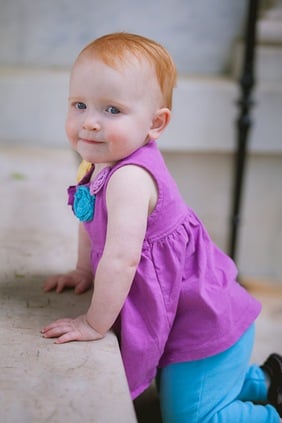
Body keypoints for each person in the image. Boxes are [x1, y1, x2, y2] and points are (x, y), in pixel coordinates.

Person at [41, 32, 282, 422]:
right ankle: (264, 382)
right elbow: (88, 218)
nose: (90, 123)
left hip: (204, 323)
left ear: (155, 123)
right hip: (182, 315)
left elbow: (121, 260)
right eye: (79, 105)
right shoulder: (97, 162)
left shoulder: (130, 179)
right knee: (182, 387)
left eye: (112, 110)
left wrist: (93, 323)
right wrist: (83, 270)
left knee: (189, 416)